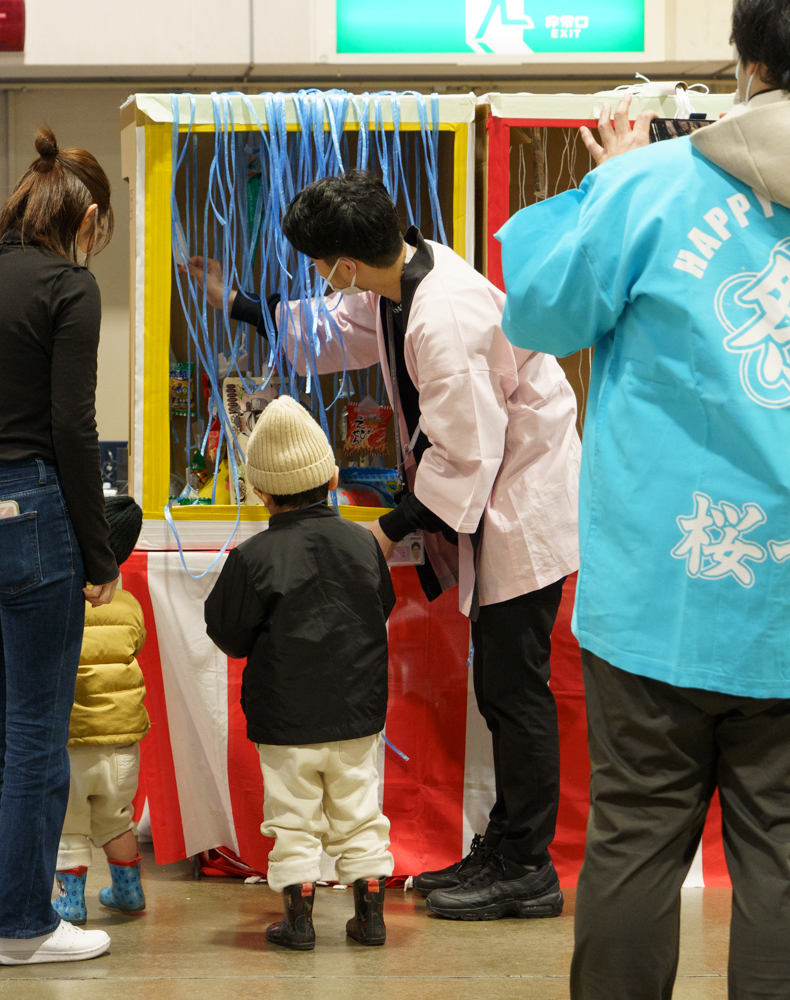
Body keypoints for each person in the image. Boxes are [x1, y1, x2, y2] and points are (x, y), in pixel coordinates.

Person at [498, 1, 790, 995]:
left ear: (751, 62)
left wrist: (609, 178)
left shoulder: (652, 186)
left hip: (664, 585)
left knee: (635, 839)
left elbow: (540, 313)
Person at [187, 169, 581, 920]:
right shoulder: (402, 276)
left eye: (318, 265)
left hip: (523, 506)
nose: (320, 278)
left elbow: (467, 455)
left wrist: (385, 533)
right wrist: (236, 302)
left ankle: (528, 867)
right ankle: (506, 845)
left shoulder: (445, 315)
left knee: (515, 694)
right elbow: (332, 332)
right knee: (502, 693)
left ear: (344, 263)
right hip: (498, 492)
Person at [0, 127, 118, 967]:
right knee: (38, 727)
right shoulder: (70, 287)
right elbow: (73, 428)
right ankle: (21, 925)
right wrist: (100, 555)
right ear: (88, 219)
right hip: (31, 512)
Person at [204, 395, 397, 951]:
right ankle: (370, 918)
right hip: (357, 715)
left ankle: (299, 922)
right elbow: (381, 606)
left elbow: (227, 634)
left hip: (285, 721)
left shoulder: (252, 558)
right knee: (361, 813)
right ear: (333, 477)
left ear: (259, 491)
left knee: (291, 820)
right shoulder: (364, 544)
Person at [52, 495, 149, 925]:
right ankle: (129, 892)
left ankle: (71, 903)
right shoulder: (129, 606)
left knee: (70, 825)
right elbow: (136, 645)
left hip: (74, 740)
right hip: (123, 743)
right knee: (116, 820)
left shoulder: (61, 602)